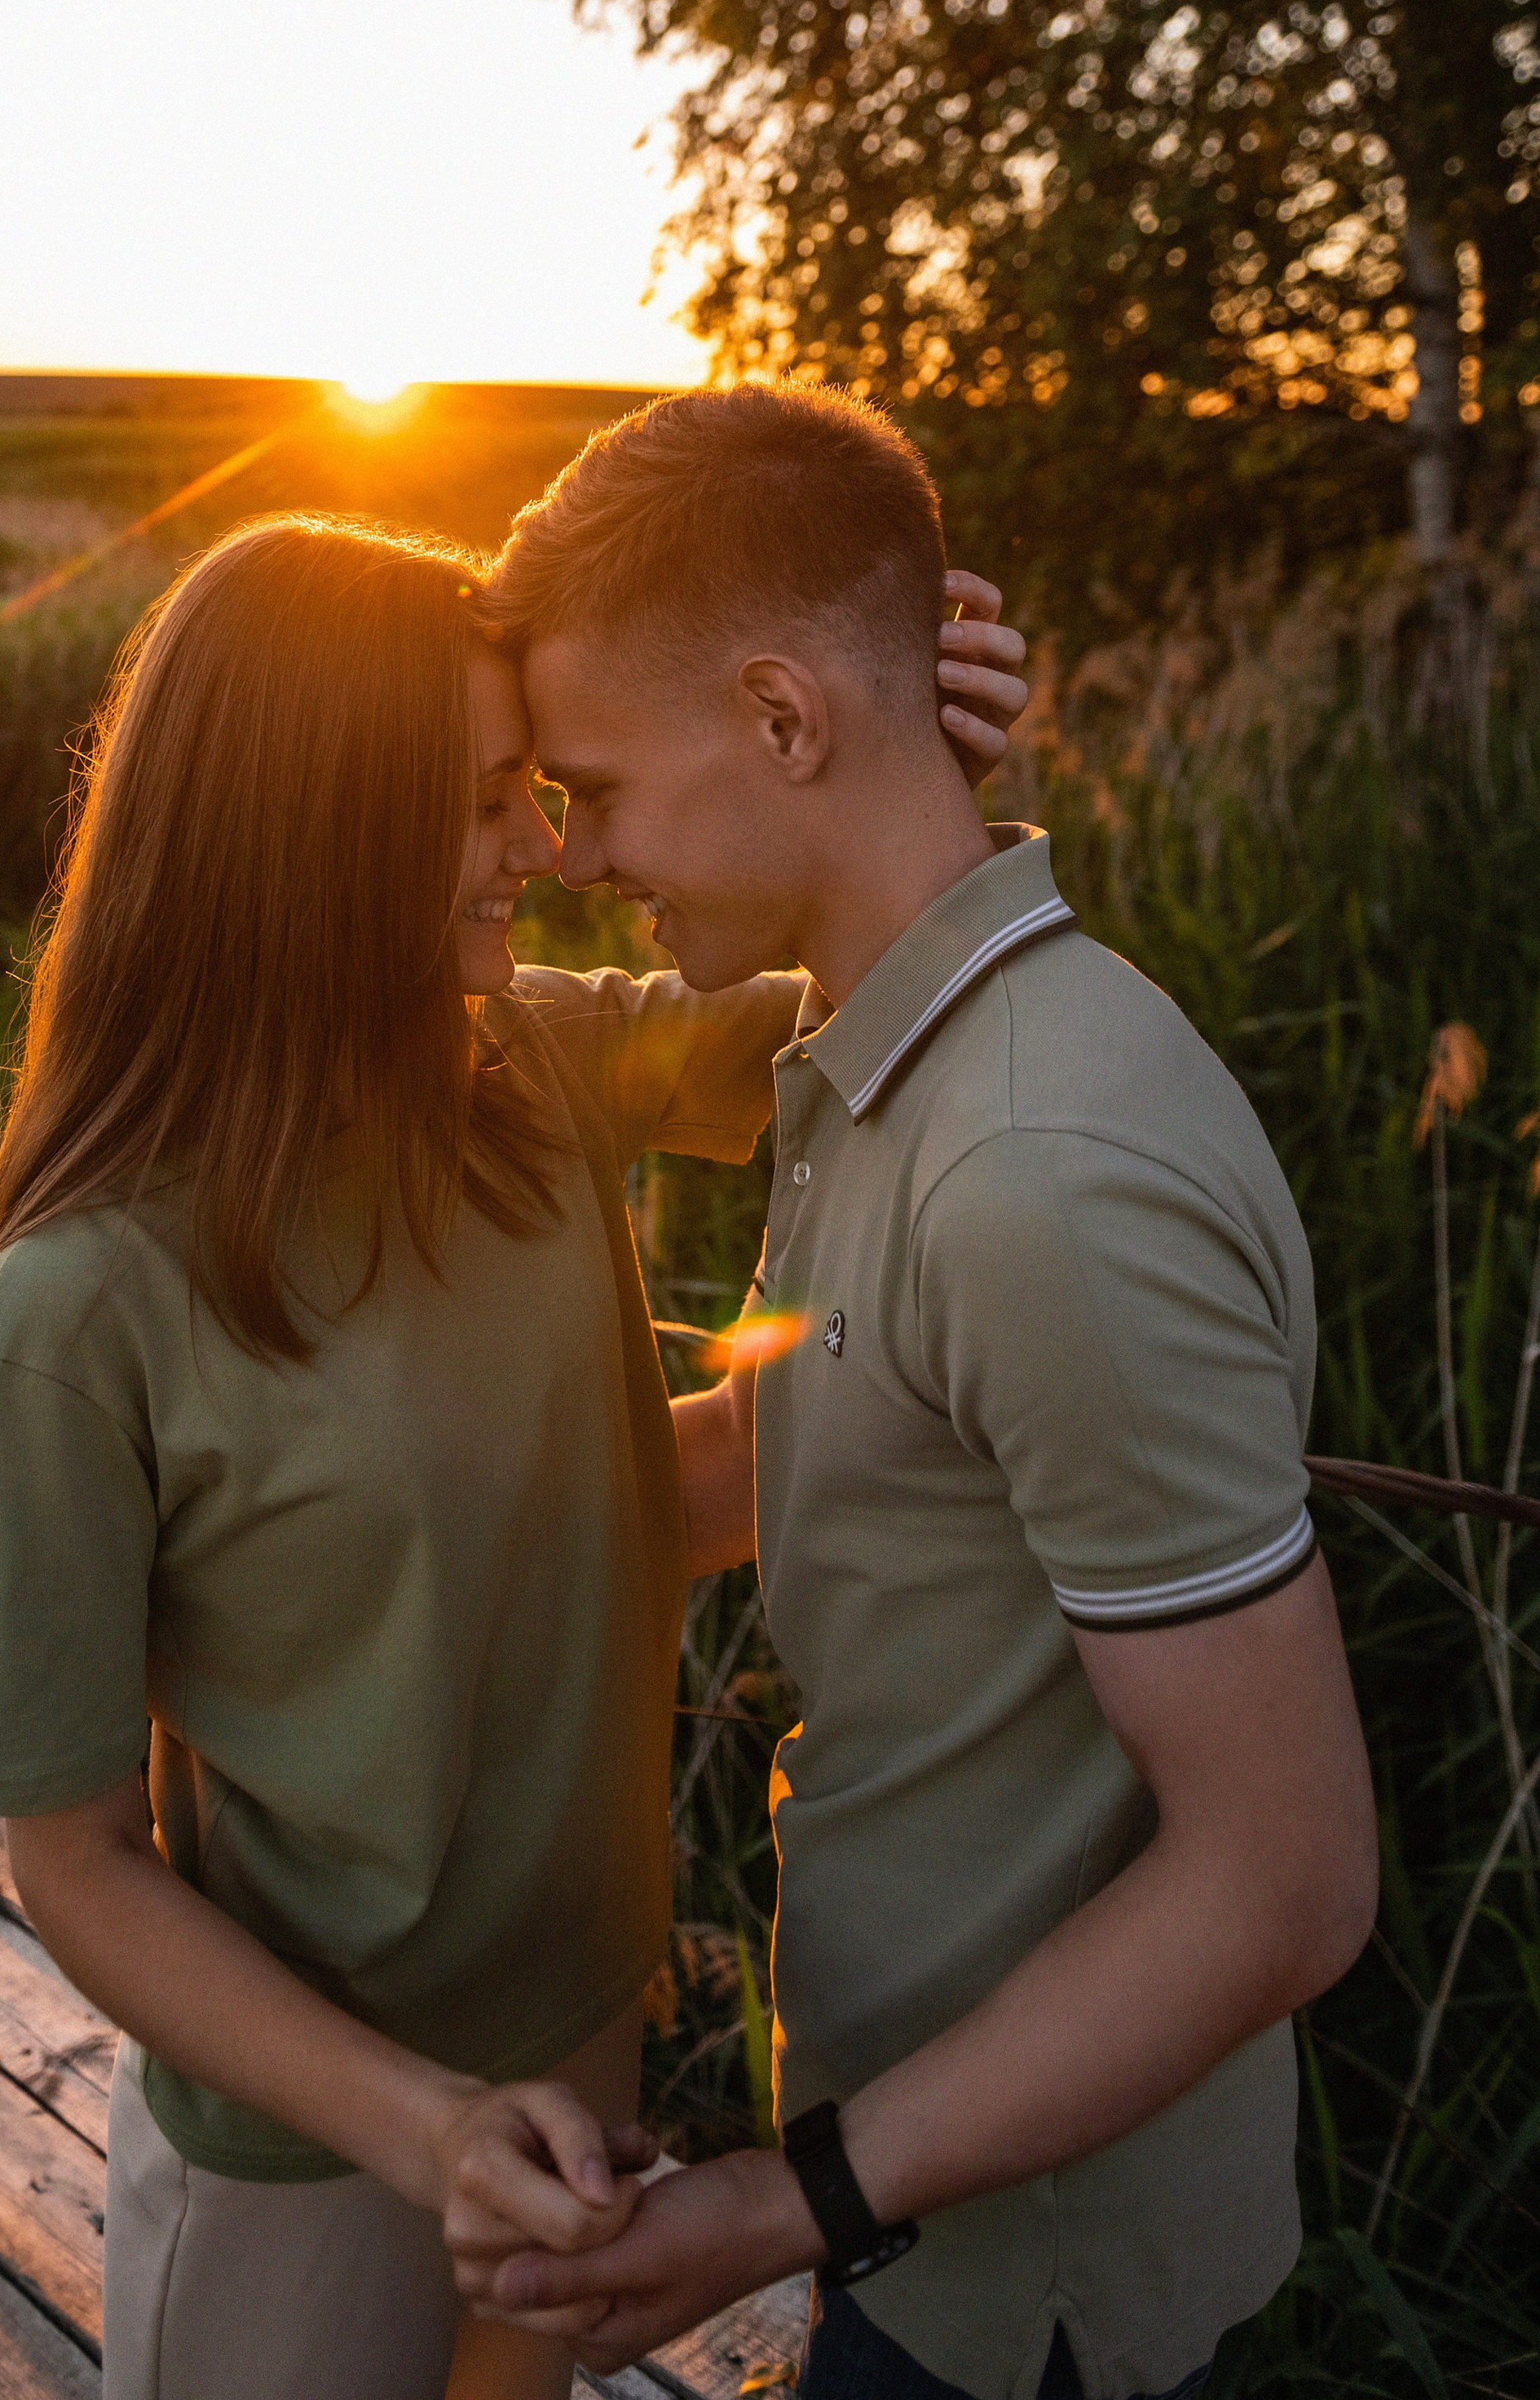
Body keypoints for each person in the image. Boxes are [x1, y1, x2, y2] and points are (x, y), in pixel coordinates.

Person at [0, 503, 1027, 2400]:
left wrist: (899, 768)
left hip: (577, 2046)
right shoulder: (76, 1305)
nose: (538, 844)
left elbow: (881, 1002)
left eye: (530, 786)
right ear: (308, 831)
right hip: (308, 2141)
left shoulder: (528, 1066)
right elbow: (76, 1856)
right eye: (475, 802)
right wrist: (419, 2122)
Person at [461, 382, 1379, 2400]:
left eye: (594, 786)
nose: (573, 849)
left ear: (784, 722)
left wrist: (780, 2207)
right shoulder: (886, 1061)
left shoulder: (1037, 1174)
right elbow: (804, 1460)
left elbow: (1285, 1878)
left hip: (1029, 2286)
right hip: (923, 2210)